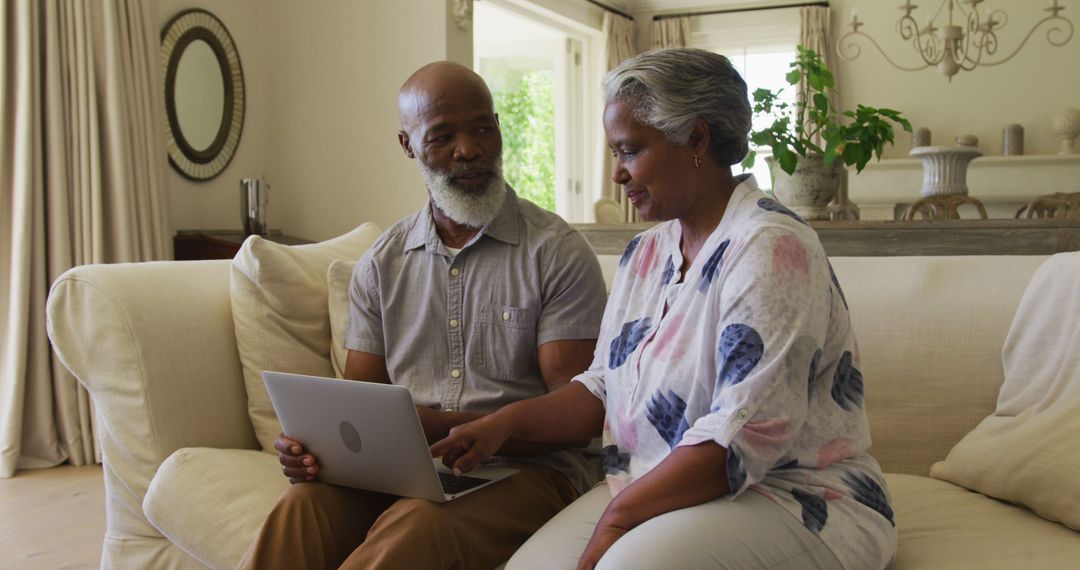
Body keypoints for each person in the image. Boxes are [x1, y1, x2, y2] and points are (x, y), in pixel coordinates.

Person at [432, 48, 898, 570]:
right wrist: (503, 424)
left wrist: (618, 518)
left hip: (793, 497)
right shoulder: (646, 253)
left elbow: (741, 436)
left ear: (696, 139)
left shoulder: (769, 248)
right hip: (656, 488)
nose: (616, 174)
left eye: (630, 151)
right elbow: (603, 384)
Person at [238, 61, 608, 570]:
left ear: (498, 128)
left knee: (419, 525)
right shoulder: (381, 265)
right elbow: (359, 405)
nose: (470, 149)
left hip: (532, 471)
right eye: (443, 136)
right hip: (411, 470)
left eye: (482, 127)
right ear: (408, 145)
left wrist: (450, 427)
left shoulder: (556, 253)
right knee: (302, 508)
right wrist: (310, 447)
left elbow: (578, 417)